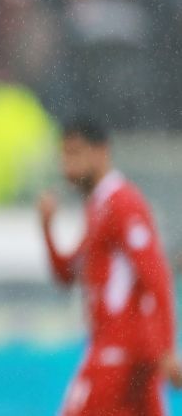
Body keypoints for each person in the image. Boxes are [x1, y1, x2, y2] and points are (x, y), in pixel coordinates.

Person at [38, 117, 182, 416]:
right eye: (64, 156)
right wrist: (47, 229)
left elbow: (156, 275)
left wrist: (168, 349)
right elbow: (67, 274)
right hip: (128, 351)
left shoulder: (123, 203)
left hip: (120, 349)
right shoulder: (99, 206)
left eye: (75, 153)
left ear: (101, 151)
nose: (68, 167)